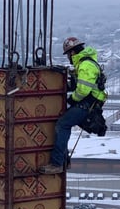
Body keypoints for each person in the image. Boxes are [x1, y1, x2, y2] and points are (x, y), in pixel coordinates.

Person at [39, 37, 107, 174]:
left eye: (68, 55)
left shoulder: (85, 65)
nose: (69, 58)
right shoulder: (85, 63)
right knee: (64, 123)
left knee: (62, 124)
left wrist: (71, 100)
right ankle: (64, 161)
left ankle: (57, 163)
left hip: (88, 103)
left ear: (72, 53)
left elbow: (83, 90)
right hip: (89, 102)